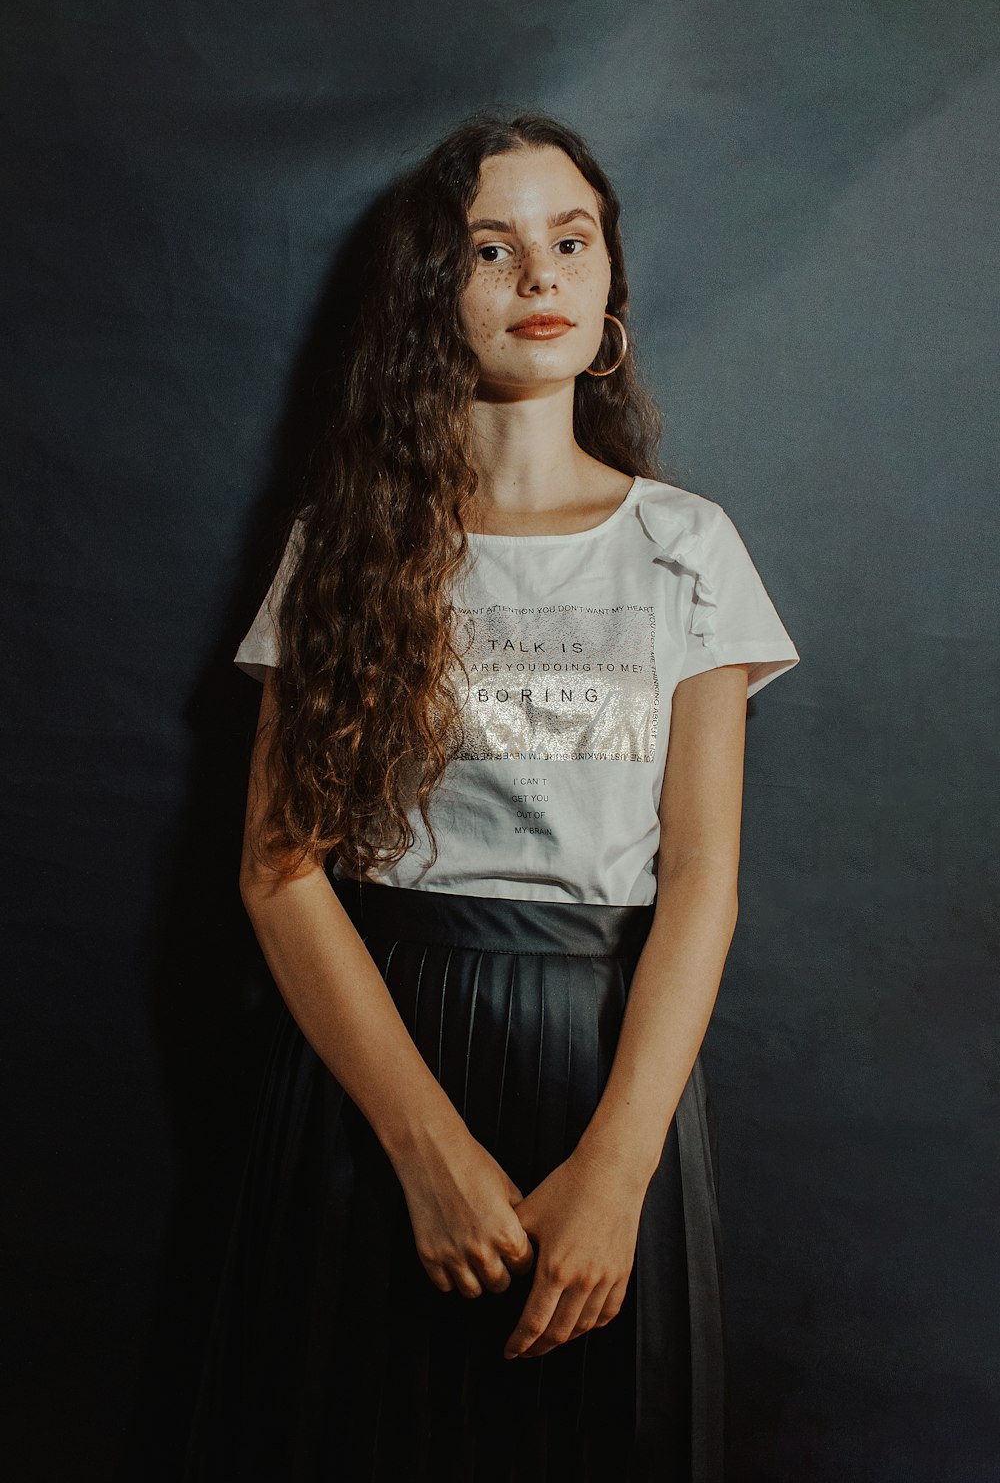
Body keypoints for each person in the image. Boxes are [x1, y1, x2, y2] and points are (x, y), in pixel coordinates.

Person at [182, 110, 800, 1483]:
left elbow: (701, 882)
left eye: (570, 242)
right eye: (493, 248)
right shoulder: (343, 546)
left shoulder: (687, 548)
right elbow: (279, 871)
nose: (540, 276)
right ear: (430, 299)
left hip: (603, 1064)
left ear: (609, 290)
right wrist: (427, 1153)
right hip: (373, 1061)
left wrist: (621, 1169)